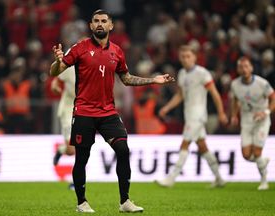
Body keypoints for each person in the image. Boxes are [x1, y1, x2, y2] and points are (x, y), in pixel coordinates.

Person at [50, 9, 174, 213]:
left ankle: (125, 201)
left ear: (110, 26)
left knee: (123, 150)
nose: (99, 24)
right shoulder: (80, 48)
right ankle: (81, 202)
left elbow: (126, 79)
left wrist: (154, 79)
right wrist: (57, 61)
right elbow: (55, 71)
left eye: (103, 21)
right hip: (84, 111)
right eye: (96, 21)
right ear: (91, 26)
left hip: (108, 112)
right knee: (82, 158)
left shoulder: (116, 51)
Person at [155, 45, 228, 188]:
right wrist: (167, 107)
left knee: (185, 143)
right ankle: (219, 178)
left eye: (188, 56)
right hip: (189, 115)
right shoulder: (182, 73)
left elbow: (215, 94)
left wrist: (221, 113)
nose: (185, 59)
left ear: (195, 57)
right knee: (202, 147)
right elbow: (180, 95)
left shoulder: (202, 73)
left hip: (198, 115)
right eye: (183, 56)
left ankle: (171, 178)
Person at [230, 57, 275, 190]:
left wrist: (266, 112)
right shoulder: (235, 84)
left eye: (246, 66)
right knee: (246, 155)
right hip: (246, 120)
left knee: (256, 152)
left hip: (261, 120)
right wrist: (234, 115)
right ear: (238, 69)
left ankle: (264, 180)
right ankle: (262, 162)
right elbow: (235, 100)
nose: (244, 69)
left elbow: (273, 98)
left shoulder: (262, 83)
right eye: (241, 67)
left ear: (251, 68)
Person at [51, 66, 76, 190]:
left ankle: (75, 181)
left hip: (84, 109)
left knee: (83, 147)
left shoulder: (96, 67)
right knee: (71, 150)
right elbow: (56, 79)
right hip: (68, 108)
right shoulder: (71, 66)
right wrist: (55, 87)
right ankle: (62, 149)